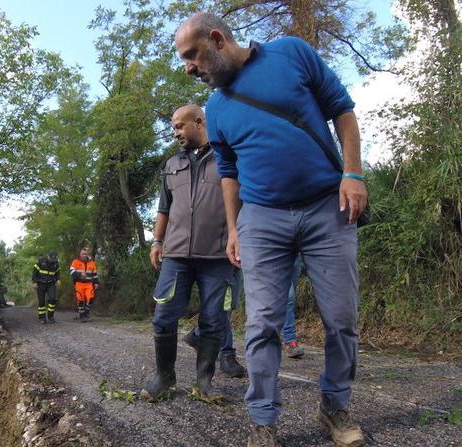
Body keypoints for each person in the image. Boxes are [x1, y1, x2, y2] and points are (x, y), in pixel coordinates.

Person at [175, 13, 367, 447]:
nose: (189, 67)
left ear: (218, 40)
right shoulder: (217, 109)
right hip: (261, 219)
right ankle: (263, 421)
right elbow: (228, 172)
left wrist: (353, 174)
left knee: (341, 319)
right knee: (261, 322)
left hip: (326, 207)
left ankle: (334, 407)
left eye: (192, 56)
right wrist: (235, 227)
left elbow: (342, 109)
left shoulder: (291, 54)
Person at [141, 104, 236, 402]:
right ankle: (164, 376)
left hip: (219, 256)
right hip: (176, 254)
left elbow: (243, 199)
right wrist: (157, 242)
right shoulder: (171, 164)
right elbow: (164, 208)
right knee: (163, 316)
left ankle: (204, 382)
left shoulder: (227, 156)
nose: (176, 133)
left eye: (180, 126)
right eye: (173, 128)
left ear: (199, 122)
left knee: (214, 319)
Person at [183, 267, 246, 378]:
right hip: (217, 257)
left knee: (231, 303)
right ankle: (226, 353)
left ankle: (198, 334)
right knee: (222, 305)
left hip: (240, 257)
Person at [283, 257, 305, 359]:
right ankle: (289, 340)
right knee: (288, 296)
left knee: (288, 301)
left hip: (296, 255)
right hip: (276, 251)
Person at [69, 247, 99, 322]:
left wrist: (96, 282)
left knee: (91, 298)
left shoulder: (92, 263)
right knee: (80, 299)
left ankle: (86, 313)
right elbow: (71, 272)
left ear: (87, 254)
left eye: (85, 254)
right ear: (80, 254)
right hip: (79, 283)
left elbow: (95, 274)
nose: (84, 255)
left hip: (89, 284)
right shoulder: (75, 262)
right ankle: (82, 316)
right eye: (83, 254)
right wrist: (80, 274)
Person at [32, 251, 60, 324]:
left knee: (52, 299)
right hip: (41, 284)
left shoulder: (55, 263)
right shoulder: (40, 261)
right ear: (47, 256)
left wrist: (58, 280)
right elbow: (34, 272)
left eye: (53, 259)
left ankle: (50, 316)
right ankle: (42, 318)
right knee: (41, 301)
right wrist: (34, 282)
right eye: (50, 258)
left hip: (51, 283)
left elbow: (57, 272)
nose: (52, 260)